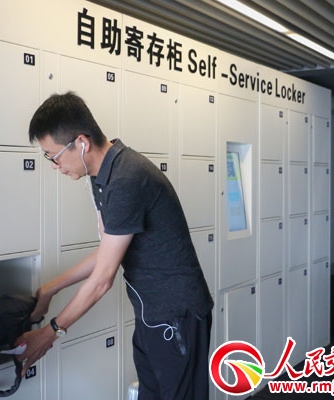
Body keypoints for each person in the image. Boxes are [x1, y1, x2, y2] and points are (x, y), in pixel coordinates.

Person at [15, 92, 214, 399]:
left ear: (81, 143)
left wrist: (49, 332)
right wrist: (50, 289)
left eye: (53, 155)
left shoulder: (126, 179)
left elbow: (102, 280)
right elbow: (108, 252)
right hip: (151, 314)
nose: (54, 165)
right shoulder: (103, 176)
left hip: (176, 315)